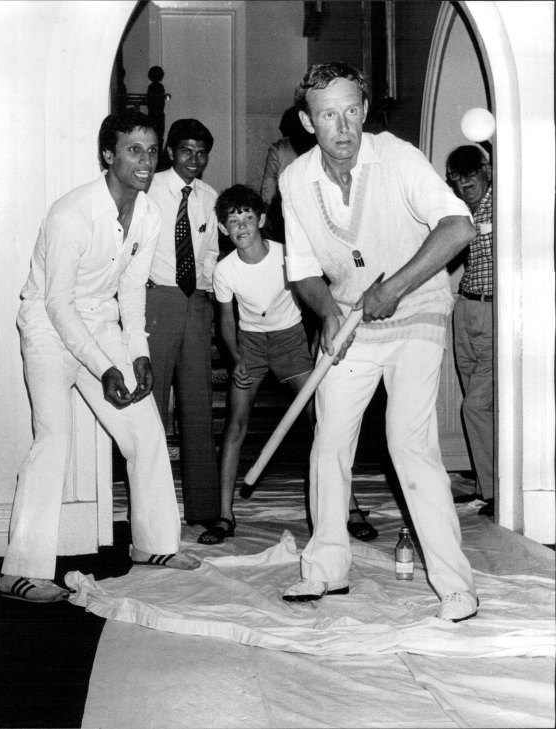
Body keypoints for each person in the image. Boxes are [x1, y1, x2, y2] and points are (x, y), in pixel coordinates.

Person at [279, 61, 479, 623]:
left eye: (350, 111)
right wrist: (323, 314)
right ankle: (324, 570)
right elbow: (300, 269)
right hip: (349, 320)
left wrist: (393, 287)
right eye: (326, 115)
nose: (341, 127)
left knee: (407, 443)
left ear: (364, 112)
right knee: (329, 442)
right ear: (307, 121)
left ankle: (456, 586)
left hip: (417, 309)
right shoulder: (295, 181)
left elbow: (457, 226)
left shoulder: (399, 157)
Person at [0, 110, 200, 604]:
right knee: (54, 439)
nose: (147, 161)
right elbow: (57, 304)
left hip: (101, 321)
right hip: (49, 325)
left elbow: (132, 291)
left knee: (146, 429)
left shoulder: (150, 214)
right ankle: (20, 571)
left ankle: (153, 545)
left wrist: (137, 354)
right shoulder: (71, 214)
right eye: (134, 150)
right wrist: (105, 367)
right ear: (108, 155)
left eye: (152, 151)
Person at [198, 184, 378, 546]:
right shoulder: (224, 270)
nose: (242, 227)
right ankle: (224, 516)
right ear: (222, 228)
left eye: (248, 217)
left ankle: (351, 507)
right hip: (249, 346)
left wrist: (317, 333)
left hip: (291, 342)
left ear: (262, 219)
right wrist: (235, 360)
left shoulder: (287, 256)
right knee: (235, 425)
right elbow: (227, 322)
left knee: (322, 422)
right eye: (233, 221)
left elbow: (314, 296)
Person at [146, 119, 220, 528]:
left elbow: (209, 251)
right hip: (157, 298)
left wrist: (206, 291)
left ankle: (204, 509)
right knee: (152, 404)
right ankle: (154, 512)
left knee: (198, 406)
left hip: (197, 303)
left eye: (202, 152)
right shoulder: (150, 189)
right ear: (171, 151)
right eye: (186, 150)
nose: (194, 159)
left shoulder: (209, 196)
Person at [446, 145, 494, 517]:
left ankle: (495, 492)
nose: (465, 185)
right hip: (465, 307)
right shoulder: (463, 212)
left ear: (485, 171)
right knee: (478, 403)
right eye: (458, 180)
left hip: (495, 312)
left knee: (475, 406)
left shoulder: (503, 204)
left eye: (470, 176)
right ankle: (484, 485)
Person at [260, 106, 316, 243]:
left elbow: (269, 185)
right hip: (312, 210)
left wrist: (266, 212)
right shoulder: (319, 147)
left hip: (284, 211)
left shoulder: (279, 148)